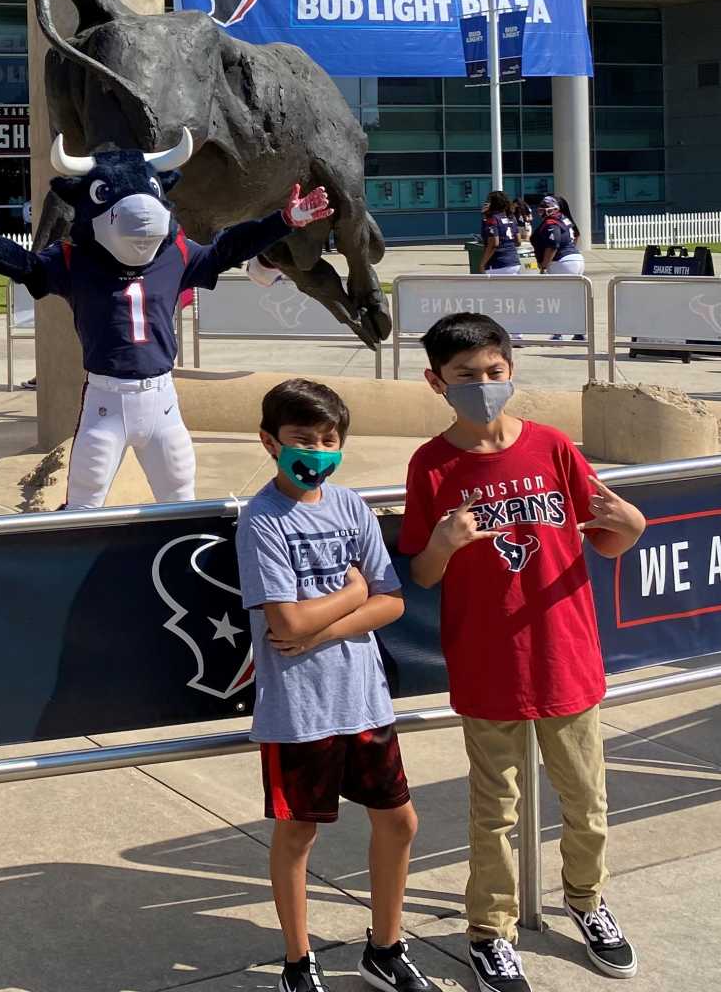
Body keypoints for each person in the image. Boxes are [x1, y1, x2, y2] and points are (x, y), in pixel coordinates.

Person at [399, 313, 646, 992]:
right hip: (489, 662)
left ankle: (588, 901)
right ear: (436, 382)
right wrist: (444, 545)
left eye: (493, 372)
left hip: (566, 653)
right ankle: (490, 932)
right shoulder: (432, 465)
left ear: (511, 369)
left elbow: (607, 533)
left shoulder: (553, 447)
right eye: (464, 377)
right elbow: (420, 572)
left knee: (587, 799)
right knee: (495, 811)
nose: (482, 385)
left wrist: (632, 527)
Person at [0, 136, 335, 508]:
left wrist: (284, 220)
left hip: (162, 399)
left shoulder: (175, 253)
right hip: (106, 399)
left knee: (181, 499)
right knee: (86, 501)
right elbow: (28, 267)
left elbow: (227, 250)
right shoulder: (74, 259)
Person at [238, 379, 429, 992]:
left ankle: (386, 946)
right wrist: (351, 595)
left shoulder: (351, 507)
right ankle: (298, 960)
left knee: (399, 822)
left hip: (363, 697)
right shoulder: (261, 521)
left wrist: (325, 625)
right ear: (270, 443)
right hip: (299, 708)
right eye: (302, 440)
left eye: (329, 440)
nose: (317, 452)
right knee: (298, 832)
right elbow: (284, 621)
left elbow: (392, 602)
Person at [533, 195, 584, 276]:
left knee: (556, 288)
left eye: (545, 206)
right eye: (541, 205)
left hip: (562, 262)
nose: (541, 208)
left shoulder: (551, 222)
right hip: (576, 258)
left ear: (556, 208)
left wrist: (544, 267)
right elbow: (576, 234)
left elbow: (553, 245)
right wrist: (570, 251)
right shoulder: (564, 218)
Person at [479, 191, 521, 276]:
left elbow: (494, 243)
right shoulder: (511, 217)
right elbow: (518, 241)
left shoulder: (492, 219)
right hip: (514, 262)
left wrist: (482, 264)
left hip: (498, 264)